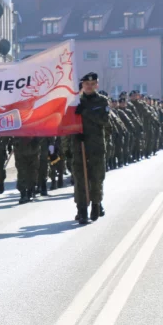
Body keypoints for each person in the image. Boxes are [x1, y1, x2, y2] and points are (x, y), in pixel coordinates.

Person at [66, 71, 109, 224]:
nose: (89, 86)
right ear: (82, 85)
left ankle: (96, 205)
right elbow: (67, 124)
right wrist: (73, 135)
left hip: (96, 147)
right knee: (80, 179)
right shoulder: (75, 101)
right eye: (86, 84)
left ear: (96, 85)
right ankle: (82, 209)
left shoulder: (102, 101)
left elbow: (105, 121)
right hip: (79, 146)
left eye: (92, 84)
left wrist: (86, 112)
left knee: (96, 178)